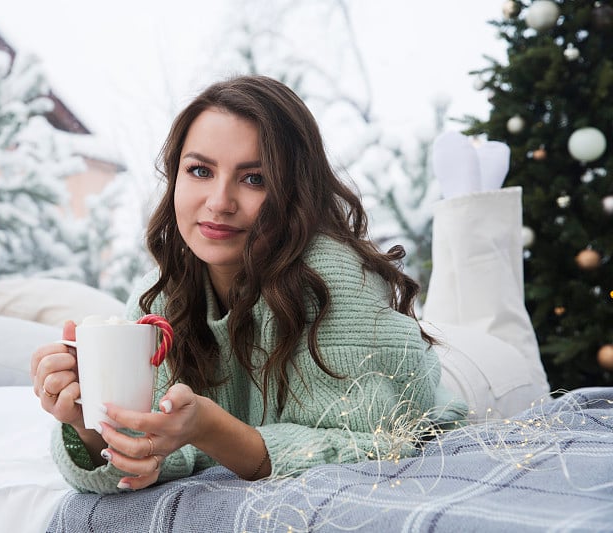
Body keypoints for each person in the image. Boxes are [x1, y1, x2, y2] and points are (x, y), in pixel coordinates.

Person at [31, 75, 470, 495]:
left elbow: (370, 444)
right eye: (200, 171)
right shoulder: (159, 298)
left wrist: (209, 428)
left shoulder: (333, 275)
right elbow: (150, 455)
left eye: (254, 178)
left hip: (448, 395)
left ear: (294, 192)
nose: (220, 202)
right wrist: (86, 423)